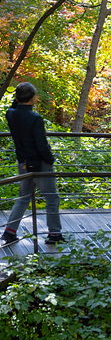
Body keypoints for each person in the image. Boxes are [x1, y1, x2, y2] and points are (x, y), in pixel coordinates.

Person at [2, 82, 64, 245]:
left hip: (23, 162)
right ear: (32, 98)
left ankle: (10, 232)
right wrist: (50, 160)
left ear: (17, 98)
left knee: (24, 197)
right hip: (40, 164)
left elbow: (14, 106)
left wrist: (19, 96)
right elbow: (41, 145)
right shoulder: (35, 118)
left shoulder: (11, 114)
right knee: (52, 198)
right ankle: (54, 234)